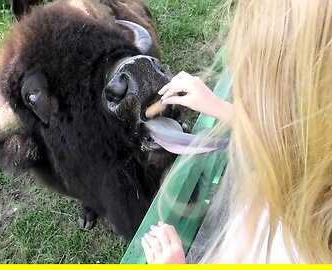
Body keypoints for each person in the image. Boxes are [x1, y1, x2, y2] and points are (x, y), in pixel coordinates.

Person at [141, 0, 332, 263]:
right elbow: (287, 141)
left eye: (249, 75)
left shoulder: (294, 254)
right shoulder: (312, 168)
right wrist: (218, 106)